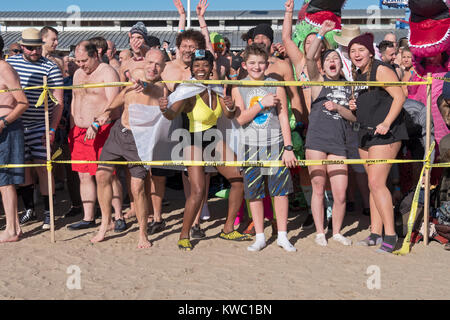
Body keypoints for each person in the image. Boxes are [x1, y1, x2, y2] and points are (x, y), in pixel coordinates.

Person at [159, 49, 248, 251]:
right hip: (192, 139)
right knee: (198, 191)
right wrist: (164, 108)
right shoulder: (188, 89)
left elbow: (229, 115)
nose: (201, 69)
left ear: (211, 68)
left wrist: (231, 106)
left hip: (213, 137)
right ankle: (184, 234)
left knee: (238, 179)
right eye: (196, 65)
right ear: (191, 69)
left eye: (205, 65)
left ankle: (227, 229)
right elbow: (172, 115)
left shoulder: (216, 87)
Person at [92, 49, 168, 248]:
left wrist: (142, 85)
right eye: (150, 62)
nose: (153, 67)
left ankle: (143, 233)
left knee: (137, 187)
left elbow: (149, 89)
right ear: (145, 62)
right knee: (102, 175)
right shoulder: (136, 75)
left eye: (158, 64)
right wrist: (106, 112)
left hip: (140, 139)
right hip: (119, 132)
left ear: (164, 67)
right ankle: (105, 223)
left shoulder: (161, 88)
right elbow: (124, 95)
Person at [232, 43, 298, 252]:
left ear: (267, 64)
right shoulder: (238, 86)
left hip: (276, 142)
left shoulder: (276, 84)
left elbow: (283, 116)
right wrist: (261, 104)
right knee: (254, 192)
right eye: (252, 63)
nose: (257, 67)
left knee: (280, 191)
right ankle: (260, 236)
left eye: (261, 63)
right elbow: (241, 118)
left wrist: (288, 147)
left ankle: (282, 235)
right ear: (244, 64)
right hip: (250, 145)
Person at [348, 33, 408, 253]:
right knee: (373, 185)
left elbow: (400, 96)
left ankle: (390, 236)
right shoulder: (358, 73)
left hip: (386, 133)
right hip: (365, 132)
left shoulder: (380, 68)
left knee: (376, 183)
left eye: (361, 50)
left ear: (370, 52)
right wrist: (355, 105)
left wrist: (386, 122)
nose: (356, 54)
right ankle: (375, 233)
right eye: (353, 51)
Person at [302, 21, 355, 246]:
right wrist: (321, 34)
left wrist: (341, 108)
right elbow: (308, 59)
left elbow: (353, 118)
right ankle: (320, 232)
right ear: (322, 66)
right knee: (317, 188)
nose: (332, 62)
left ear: (341, 65)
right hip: (316, 141)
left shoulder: (348, 85)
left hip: (338, 143)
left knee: (340, 192)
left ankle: (336, 232)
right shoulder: (317, 81)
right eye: (328, 60)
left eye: (335, 59)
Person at [7, 28, 64, 230]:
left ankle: (49, 213)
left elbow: (58, 102)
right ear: (22, 46)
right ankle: (30, 210)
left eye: (37, 48)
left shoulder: (50, 67)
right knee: (21, 170)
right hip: (16, 125)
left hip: (41, 125)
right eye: (30, 48)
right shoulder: (10, 64)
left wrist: (52, 130)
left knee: (43, 167)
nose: (34, 52)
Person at [67, 41, 124, 232]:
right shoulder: (77, 73)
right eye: (78, 60)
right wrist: (72, 126)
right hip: (80, 131)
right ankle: (88, 216)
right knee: (83, 174)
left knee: (108, 174)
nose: (81, 64)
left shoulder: (107, 72)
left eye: (84, 60)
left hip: (103, 128)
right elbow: (75, 100)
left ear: (96, 55)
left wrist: (98, 121)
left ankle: (118, 216)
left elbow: (114, 104)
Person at [0, 35, 29, 243]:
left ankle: (11, 228)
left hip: (6, 127)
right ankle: (15, 227)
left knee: (6, 179)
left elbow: (22, 102)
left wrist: (3, 123)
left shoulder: (5, 69)